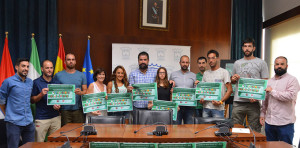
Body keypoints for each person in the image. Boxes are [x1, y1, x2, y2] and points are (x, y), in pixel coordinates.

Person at [231, 38, 269, 132]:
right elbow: (233, 82)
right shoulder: (237, 63)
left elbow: (265, 82)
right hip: (238, 102)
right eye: (245, 46)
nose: (247, 48)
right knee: (235, 129)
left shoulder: (261, 63)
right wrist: (233, 79)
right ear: (242, 48)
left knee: (254, 130)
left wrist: (257, 97)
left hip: (254, 103)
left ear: (254, 48)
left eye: (249, 46)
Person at [260, 56, 300, 145]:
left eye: (282, 64)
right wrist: (262, 113)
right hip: (269, 122)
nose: (279, 66)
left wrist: (272, 91)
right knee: (270, 146)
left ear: (287, 66)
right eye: (277, 64)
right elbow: (265, 100)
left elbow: (290, 96)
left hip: (285, 123)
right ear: (274, 66)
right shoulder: (269, 81)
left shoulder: (292, 80)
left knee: (286, 147)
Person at [0, 58, 35, 148]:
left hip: (29, 122)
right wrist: (7, 114)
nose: (26, 68)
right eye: (23, 66)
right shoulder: (8, 81)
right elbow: (1, 100)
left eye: (27, 66)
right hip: (13, 122)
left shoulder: (30, 82)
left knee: (29, 146)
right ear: (16, 67)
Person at [31, 60, 61, 142]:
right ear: (42, 69)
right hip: (41, 119)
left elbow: (60, 99)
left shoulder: (57, 82)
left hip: (55, 118)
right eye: (47, 68)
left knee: (55, 143)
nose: (49, 70)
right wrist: (41, 94)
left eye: (51, 68)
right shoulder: (36, 82)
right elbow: (32, 100)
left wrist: (59, 105)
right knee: (39, 144)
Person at [54, 53, 87, 126]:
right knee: (65, 133)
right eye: (68, 60)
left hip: (78, 110)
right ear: (65, 62)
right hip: (64, 110)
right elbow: (54, 91)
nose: (71, 61)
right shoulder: (58, 75)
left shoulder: (81, 75)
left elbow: (85, 91)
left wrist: (80, 92)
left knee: (78, 131)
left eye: (73, 59)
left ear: (75, 62)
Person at [199, 50, 232, 117]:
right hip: (206, 108)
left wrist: (220, 102)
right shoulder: (206, 73)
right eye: (209, 58)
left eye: (213, 58)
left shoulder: (224, 72)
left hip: (218, 109)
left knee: (217, 127)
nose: (211, 60)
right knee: (205, 127)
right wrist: (201, 99)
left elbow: (229, 90)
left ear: (217, 58)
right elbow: (203, 90)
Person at [170, 55, 196, 124]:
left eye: (187, 62)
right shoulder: (173, 74)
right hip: (177, 106)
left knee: (189, 128)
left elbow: (195, 90)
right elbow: (170, 89)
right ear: (179, 63)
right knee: (175, 127)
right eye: (183, 62)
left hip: (189, 107)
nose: (185, 64)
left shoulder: (193, 75)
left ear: (189, 63)